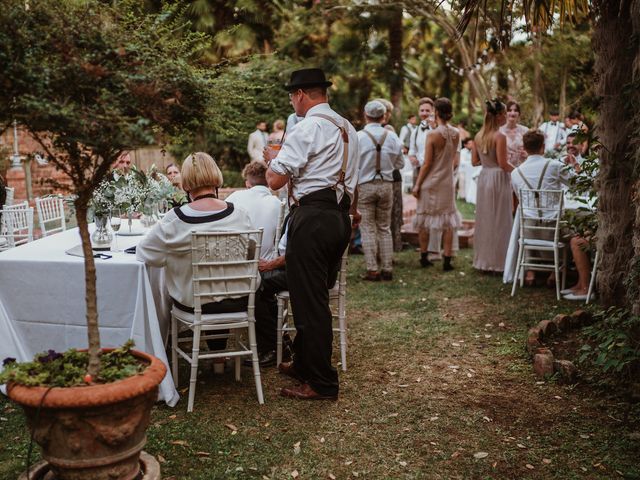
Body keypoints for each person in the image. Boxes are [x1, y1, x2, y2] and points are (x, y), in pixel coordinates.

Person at [265, 67, 359, 401]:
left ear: (302, 94)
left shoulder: (309, 127)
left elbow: (274, 180)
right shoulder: (348, 128)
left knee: (310, 303)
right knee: (314, 292)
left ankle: (321, 382)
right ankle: (304, 363)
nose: (292, 101)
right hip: (339, 217)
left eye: (292, 95)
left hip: (312, 218)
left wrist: (273, 158)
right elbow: (351, 184)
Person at [137, 152, 253, 365]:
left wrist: (172, 256)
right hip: (239, 300)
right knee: (220, 279)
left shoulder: (177, 219)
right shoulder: (240, 214)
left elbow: (144, 253)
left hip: (194, 304)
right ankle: (219, 359)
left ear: (186, 181)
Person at [510, 130, 575, 285]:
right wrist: (574, 167)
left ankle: (531, 272)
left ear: (524, 148)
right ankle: (555, 272)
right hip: (553, 229)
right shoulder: (555, 166)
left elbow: (521, 200)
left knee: (530, 218)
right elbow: (576, 184)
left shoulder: (515, 172)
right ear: (543, 147)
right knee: (575, 233)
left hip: (529, 230)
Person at [412, 97, 462, 271]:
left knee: (424, 219)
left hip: (431, 182)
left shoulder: (432, 134)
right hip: (447, 182)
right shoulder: (456, 133)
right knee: (448, 221)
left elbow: (426, 163)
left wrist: (417, 184)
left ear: (437, 113)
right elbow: (454, 159)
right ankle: (447, 260)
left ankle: (424, 256)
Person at [357, 100, 404, 280]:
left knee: (367, 227)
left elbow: (352, 165)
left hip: (366, 186)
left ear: (365, 115)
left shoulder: (359, 137)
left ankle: (372, 269)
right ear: (383, 116)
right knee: (384, 227)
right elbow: (400, 163)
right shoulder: (392, 137)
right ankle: (387, 268)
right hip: (386, 185)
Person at [472, 99, 513, 273]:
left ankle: (484, 261)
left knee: (486, 219)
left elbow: (475, 162)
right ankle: (498, 263)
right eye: (504, 113)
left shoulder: (478, 136)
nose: (506, 116)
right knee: (500, 219)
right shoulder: (500, 136)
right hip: (498, 177)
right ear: (497, 116)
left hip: (484, 177)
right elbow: (504, 164)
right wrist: (520, 172)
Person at [225, 161, 282, 260]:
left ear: (247, 184)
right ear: (268, 182)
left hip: (238, 264)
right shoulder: (277, 203)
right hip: (267, 267)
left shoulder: (235, 197)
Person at [499, 101, 529, 168]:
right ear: (505, 113)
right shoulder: (499, 131)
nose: (512, 113)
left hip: (521, 168)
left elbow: (531, 150)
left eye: (515, 110)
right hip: (504, 169)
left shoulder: (525, 130)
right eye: (509, 110)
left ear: (519, 113)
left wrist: (527, 154)